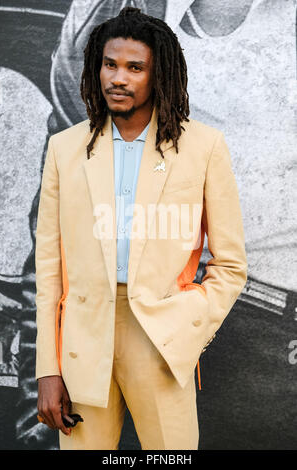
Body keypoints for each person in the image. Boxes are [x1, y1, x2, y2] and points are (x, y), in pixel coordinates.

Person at [35, 6, 247, 450]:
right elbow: (50, 273)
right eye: (109, 65)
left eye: (135, 67)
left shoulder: (203, 147)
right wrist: (48, 369)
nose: (118, 78)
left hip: (162, 337)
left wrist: (186, 326)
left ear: (159, 75)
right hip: (82, 342)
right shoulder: (65, 149)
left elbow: (229, 266)